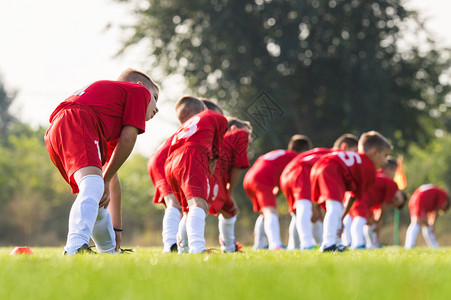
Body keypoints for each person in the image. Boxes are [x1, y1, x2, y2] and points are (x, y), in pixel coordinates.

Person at [44, 68, 159, 255]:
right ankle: (75, 246)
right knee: (94, 185)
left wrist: (117, 228)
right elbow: (129, 138)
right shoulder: (139, 91)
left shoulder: (110, 116)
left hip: (57, 131)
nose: (157, 108)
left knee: (96, 195)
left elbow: (112, 180)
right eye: (155, 97)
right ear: (140, 87)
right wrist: (104, 180)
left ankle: (109, 251)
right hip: (77, 119)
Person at [165, 96, 228, 254]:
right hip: (192, 156)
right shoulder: (216, 117)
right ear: (204, 109)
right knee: (199, 205)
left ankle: (183, 249)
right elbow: (214, 156)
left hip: (171, 162)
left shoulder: (183, 127)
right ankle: (198, 248)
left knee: (187, 210)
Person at [310, 131, 392, 252]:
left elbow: (352, 196)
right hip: (331, 169)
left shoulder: (359, 161)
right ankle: (328, 244)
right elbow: (355, 196)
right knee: (335, 207)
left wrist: (342, 217)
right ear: (374, 152)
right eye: (385, 156)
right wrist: (342, 216)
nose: (385, 162)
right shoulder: (368, 167)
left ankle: (336, 242)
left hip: (319, 166)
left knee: (335, 208)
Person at [280, 134, 358, 250]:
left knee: (299, 212)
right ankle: (307, 243)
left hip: (287, 174)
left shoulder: (324, 152)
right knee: (304, 206)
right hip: (301, 170)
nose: (355, 157)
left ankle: (294, 246)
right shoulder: (336, 159)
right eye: (355, 152)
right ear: (344, 147)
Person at [244, 135, 312, 250]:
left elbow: (281, 180)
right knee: (270, 211)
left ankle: (259, 244)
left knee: (265, 212)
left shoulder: (282, 153)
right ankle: (275, 245)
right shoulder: (295, 158)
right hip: (262, 179)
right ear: (304, 151)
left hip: (249, 178)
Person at [208, 117, 252, 252]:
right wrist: (229, 192)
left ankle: (229, 247)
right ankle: (184, 245)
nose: (250, 139)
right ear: (234, 129)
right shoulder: (239, 135)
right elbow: (237, 168)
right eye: (248, 133)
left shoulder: (225, 141)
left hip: (216, 174)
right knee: (200, 207)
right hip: (213, 173)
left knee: (230, 210)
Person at [342, 157, 406, 249]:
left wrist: (373, 220)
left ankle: (347, 242)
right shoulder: (392, 185)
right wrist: (378, 221)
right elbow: (384, 206)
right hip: (363, 197)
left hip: (352, 193)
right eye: (396, 199)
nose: (392, 200)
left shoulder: (377, 174)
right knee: (360, 219)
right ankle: (357, 243)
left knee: (351, 218)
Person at [405, 184, 450, 249]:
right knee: (416, 223)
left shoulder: (436, 192)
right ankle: (409, 245)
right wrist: (433, 223)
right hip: (420, 199)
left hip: (414, 198)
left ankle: (434, 246)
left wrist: (431, 224)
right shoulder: (443, 195)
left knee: (426, 225)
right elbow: (436, 210)